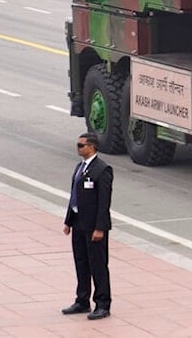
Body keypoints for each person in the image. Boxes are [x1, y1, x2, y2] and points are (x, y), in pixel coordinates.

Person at [62, 132, 113, 320]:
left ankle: (103, 304)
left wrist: (100, 228)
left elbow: (104, 202)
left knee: (98, 265)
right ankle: (82, 300)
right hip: (78, 224)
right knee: (81, 262)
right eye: (78, 145)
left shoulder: (103, 169)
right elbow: (74, 195)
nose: (78, 148)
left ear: (91, 147)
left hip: (94, 227)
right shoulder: (79, 167)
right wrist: (68, 221)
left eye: (81, 145)